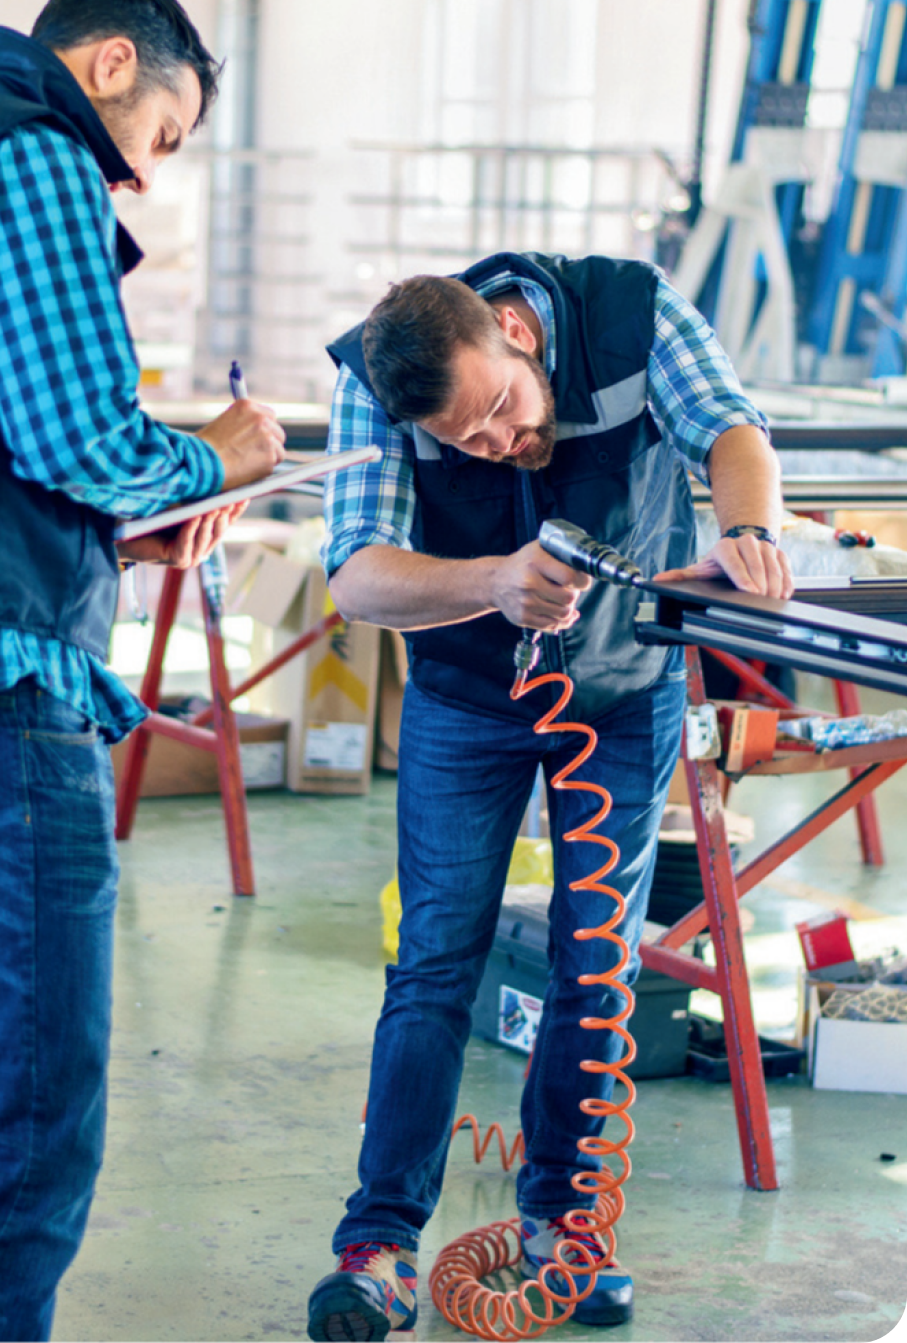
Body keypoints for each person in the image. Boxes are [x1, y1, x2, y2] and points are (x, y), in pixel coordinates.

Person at [0, 0, 285, 1343]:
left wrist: (99, 541)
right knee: (25, 1150)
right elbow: (80, 436)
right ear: (101, 66)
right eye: (163, 134)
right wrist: (222, 455)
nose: (147, 177)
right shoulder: (31, 153)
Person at [307, 249, 793, 1342]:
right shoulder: (373, 382)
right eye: (464, 442)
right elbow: (354, 571)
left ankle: (563, 1228)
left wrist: (749, 530)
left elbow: (729, 423)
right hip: (466, 698)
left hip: (622, 696)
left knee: (596, 960)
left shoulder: (631, 314)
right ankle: (380, 1243)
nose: (496, 445)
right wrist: (488, 578)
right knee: (434, 960)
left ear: (516, 335)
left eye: (502, 413)